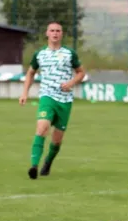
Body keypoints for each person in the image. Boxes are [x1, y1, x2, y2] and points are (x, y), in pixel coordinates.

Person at [19, 22, 86, 179]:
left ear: (61, 34)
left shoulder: (70, 53)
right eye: (52, 31)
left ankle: (48, 162)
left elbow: (81, 72)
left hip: (65, 101)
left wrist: (71, 83)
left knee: (57, 140)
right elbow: (30, 73)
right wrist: (24, 93)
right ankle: (34, 166)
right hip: (47, 96)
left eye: (58, 31)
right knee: (42, 128)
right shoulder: (40, 54)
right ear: (47, 33)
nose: (55, 33)